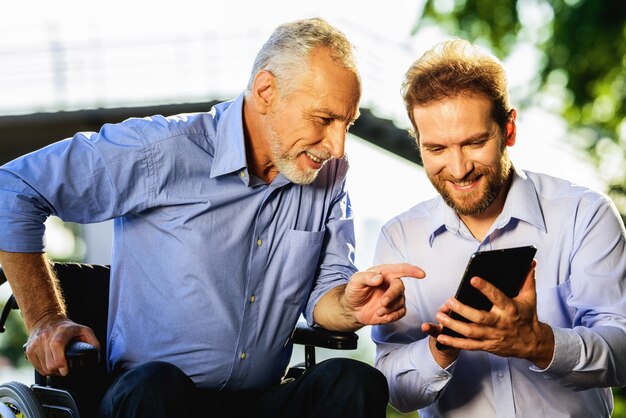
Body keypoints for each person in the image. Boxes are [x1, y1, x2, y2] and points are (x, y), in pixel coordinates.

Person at [0, 18, 424, 418]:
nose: (338, 145)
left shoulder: (328, 178)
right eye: (324, 119)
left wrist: (351, 307)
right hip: (156, 397)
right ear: (265, 91)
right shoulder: (162, 149)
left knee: (354, 381)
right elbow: (13, 189)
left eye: (347, 123)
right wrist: (45, 320)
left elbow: (324, 300)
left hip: (259, 400)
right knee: (155, 386)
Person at [372, 39, 626, 417]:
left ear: (509, 129)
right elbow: (395, 392)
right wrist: (440, 350)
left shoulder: (584, 215)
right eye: (437, 149)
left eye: (474, 143)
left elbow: (622, 352)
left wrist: (538, 343)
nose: (458, 169)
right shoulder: (399, 239)